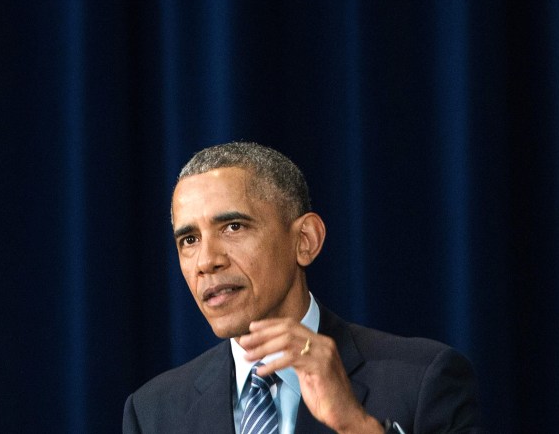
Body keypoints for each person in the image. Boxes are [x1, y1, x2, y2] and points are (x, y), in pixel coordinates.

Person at [123, 141, 483, 433]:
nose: (206, 261)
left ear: (305, 240)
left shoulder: (423, 380)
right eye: (188, 239)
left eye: (233, 227)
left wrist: (355, 426)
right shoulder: (153, 412)